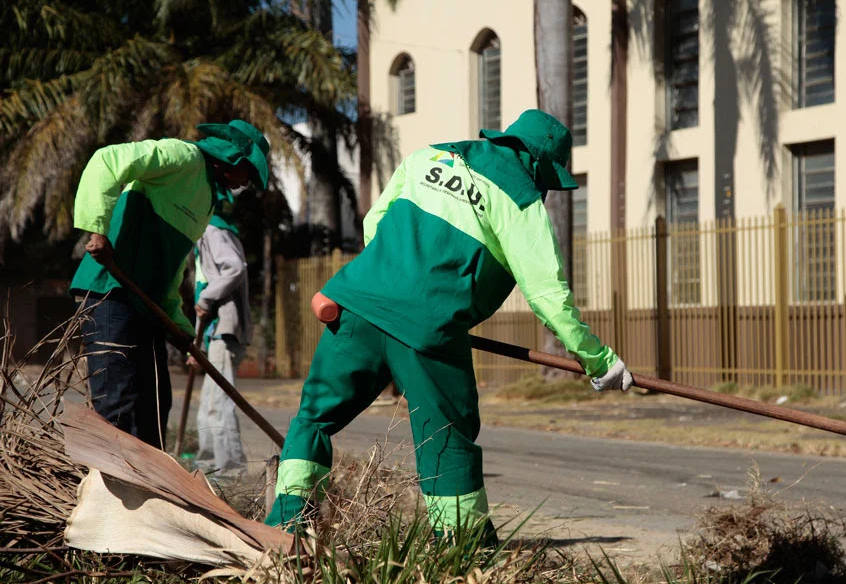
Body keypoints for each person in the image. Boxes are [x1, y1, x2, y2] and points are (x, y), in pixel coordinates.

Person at [265, 109, 633, 539]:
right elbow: (548, 296)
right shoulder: (520, 199)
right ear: (537, 166)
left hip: (355, 304)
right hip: (427, 330)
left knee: (315, 418)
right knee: (445, 439)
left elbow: (374, 225)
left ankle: (284, 533)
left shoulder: (430, 156)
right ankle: (464, 553)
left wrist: (394, 283)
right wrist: (599, 360)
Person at [72, 120, 270, 449]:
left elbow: (172, 269)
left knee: (155, 408)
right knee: (118, 405)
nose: (247, 183)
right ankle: (112, 490)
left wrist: (178, 326)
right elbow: (106, 160)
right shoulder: (182, 156)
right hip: (109, 291)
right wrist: (97, 230)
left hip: (145, 305)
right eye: (249, 173)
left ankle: (153, 491)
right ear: (234, 160)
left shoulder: (206, 200)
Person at [187, 186, 255, 476]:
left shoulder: (214, 231)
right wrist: (197, 347)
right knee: (209, 405)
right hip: (213, 333)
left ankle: (229, 470)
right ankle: (207, 466)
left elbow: (234, 269)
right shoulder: (203, 236)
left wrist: (205, 299)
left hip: (225, 332)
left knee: (220, 403)